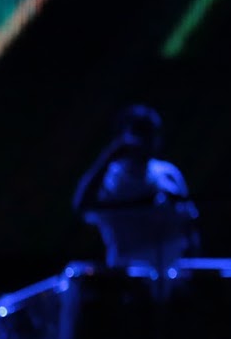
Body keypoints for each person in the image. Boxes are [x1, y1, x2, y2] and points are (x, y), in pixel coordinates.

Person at [72, 104, 200, 271]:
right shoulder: (109, 179)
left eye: (152, 132)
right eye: (140, 131)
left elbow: (189, 226)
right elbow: (81, 206)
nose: (147, 140)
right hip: (128, 276)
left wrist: (194, 269)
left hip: (173, 273)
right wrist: (109, 157)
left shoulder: (168, 173)